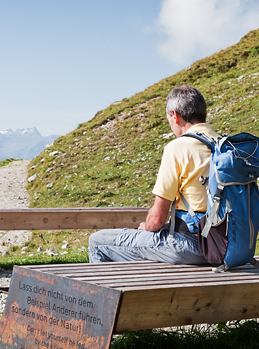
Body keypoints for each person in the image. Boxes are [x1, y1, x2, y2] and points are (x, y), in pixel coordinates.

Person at [89, 85, 219, 265]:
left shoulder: (178, 147)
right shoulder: (224, 146)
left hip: (191, 247)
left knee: (97, 241)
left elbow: (157, 219)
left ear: (175, 115)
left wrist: (146, 227)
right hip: (225, 246)